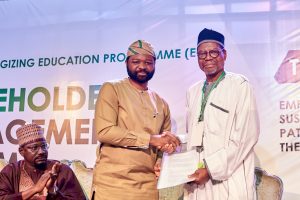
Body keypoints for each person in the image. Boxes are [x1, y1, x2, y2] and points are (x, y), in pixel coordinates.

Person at [92, 39, 180, 200]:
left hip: (147, 187)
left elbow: (163, 145)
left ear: (154, 65)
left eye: (148, 62)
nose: (142, 66)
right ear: (126, 63)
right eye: (136, 61)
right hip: (112, 185)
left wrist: (163, 156)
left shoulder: (162, 104)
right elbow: (105, 132)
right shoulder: (112, 89)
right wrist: (151, 139)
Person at [184, 28, 260, 199]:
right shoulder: (193, 91)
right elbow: (193, 135)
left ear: (224, 54)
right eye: (202, 54)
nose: (208, 58)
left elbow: (246, 136)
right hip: (198, 181)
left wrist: (210, 169)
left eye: (213, 52)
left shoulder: (240, 85)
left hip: (230, 180)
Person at [0, 123, 86, 200]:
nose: (42, 151)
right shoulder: (11, 171)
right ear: (21, 151)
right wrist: (35, 189)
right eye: (34, 147)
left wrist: (53, 192)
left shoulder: (62, 170)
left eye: (44, 146)